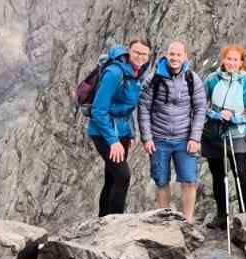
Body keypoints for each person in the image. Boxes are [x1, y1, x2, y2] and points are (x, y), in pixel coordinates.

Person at [136, 39, 207, 222]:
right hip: (159, 139)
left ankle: (188, 221)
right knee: (161, 181)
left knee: (189, 181)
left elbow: (200, 109)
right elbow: (143, 108)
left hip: (185, 139)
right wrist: (147, 138)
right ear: (166, 55)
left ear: (185, 57)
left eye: (178, 54)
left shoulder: (192, 79)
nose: (174, 58)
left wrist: (195, 138)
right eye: (171, 54)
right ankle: (165, 222)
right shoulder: (154, 79)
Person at [86, 39, 152, 217]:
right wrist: (113, 141)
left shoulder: (138, 73)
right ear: (128, 51)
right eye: (136, 52)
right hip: (103, 132)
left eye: (144, 54)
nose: (140, 57)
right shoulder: (115, 73)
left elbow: (128, 107)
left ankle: (103, 221)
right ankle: (115, 224)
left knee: (112, 177)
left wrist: (130, 132)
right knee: (123, 176)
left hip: (122, 131)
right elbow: (98, 111)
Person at [202, 44, 246, 229]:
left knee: (240, 173)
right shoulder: (212, 80)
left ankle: (244, 215)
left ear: (241, 63)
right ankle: (221, 214)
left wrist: (235, 118)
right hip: (214, 134)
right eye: (228, 59)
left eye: (236, 59)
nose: (231, 63)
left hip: (236, 134)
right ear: (223, 60)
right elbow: (201, 105)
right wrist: (217, 115)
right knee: (218, 175)